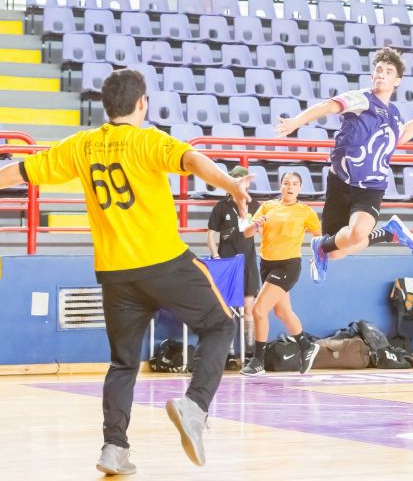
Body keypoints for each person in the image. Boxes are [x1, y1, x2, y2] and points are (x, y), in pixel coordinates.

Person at [0, 69, 252, 473]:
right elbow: (193, 159)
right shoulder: (147, 140)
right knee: (221, 325)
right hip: (162, 262)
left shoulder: (81, 146)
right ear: (142, 103)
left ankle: (114, 448)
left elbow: (24, 170)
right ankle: (195, 405)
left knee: (122, 363)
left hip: (114, 273)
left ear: (106, 105)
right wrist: (231, 184)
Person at [275, 47, 413, 284]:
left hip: (371, 187)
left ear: (397, 80)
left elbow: (404, 133)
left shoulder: (393, 115)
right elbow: (327, 106)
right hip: (341, 183)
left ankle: (321, 245)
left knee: (357, 233)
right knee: (337, 252)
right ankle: (389, 232)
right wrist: (297, 121)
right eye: (378, 70)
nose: (381, 74)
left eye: (388, 71)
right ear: (372, 75)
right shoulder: (361, 98)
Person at [240, 171, 323, 376]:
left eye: (295, 184)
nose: (290, 187)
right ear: (281, 186)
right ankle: (306, 347)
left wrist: (317, 255)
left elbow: (319, 236)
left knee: (258, 310)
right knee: (282, 312)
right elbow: (247, 233)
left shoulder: (306, 212)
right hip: (266, 264)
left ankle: (258, 361)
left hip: (288, 265)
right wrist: (255, 224)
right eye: (287, 183)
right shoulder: (268, 206)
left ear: (299, 188)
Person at [207, 165, 261, 355]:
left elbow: (264, 229)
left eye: (242, 180)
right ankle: (227, 350)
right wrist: (215, 254)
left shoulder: (255, 205)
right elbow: (211, 234)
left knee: (248, 306)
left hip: (248, 262)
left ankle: (249, 350)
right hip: (228, 264)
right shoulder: (222, 207)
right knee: (227, 306)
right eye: (235, 179)